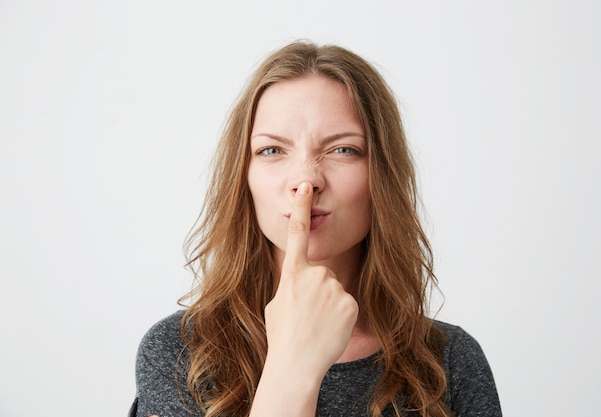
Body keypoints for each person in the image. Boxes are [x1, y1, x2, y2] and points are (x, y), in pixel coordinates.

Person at [129, 41, 502, 417]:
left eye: (343, 150)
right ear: (244, 177)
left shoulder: (450, 364)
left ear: (382, 176)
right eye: (272, 150)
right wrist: (294, 363)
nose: (306, 180)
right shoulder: (178, 355)